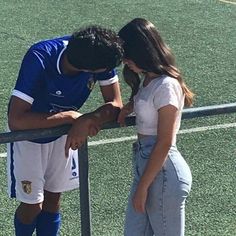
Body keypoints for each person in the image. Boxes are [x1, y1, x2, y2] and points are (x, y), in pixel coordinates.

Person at [7, 25, 123, 236]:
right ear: (89, 70)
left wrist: (89, 119)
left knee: (53, 200)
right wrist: (70, 117)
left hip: (64, 134)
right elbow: (16, 120)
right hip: (30, 136)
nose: (108, 71)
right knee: (33, 206)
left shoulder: (96, 52)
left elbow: (115, 103)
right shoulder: (40, 57)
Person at [117, 18, 194, 236]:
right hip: (148, 168)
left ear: (142, 51)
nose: (125, 61)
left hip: (163, 172)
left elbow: (165, 141)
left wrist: (143, 187)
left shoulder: (167, 85)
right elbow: (148, 102)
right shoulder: (149, 80)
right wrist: (130, 106)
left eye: (128, 55)